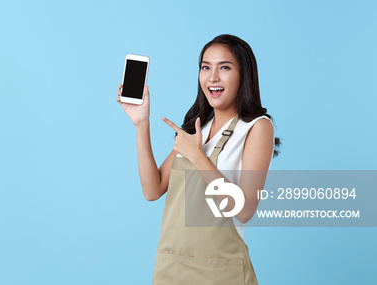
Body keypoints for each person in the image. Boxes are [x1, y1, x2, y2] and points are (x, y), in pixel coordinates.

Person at [116, 34, 280, 284]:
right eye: (205, 67)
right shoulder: (197, 128)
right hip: (172, 270)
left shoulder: (257, 127)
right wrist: (141, 124)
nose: (212, 77)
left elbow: (245, 210)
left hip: (223, 273)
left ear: (243, 75)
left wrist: (196, 154)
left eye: (224, 67)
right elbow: (153, 189)